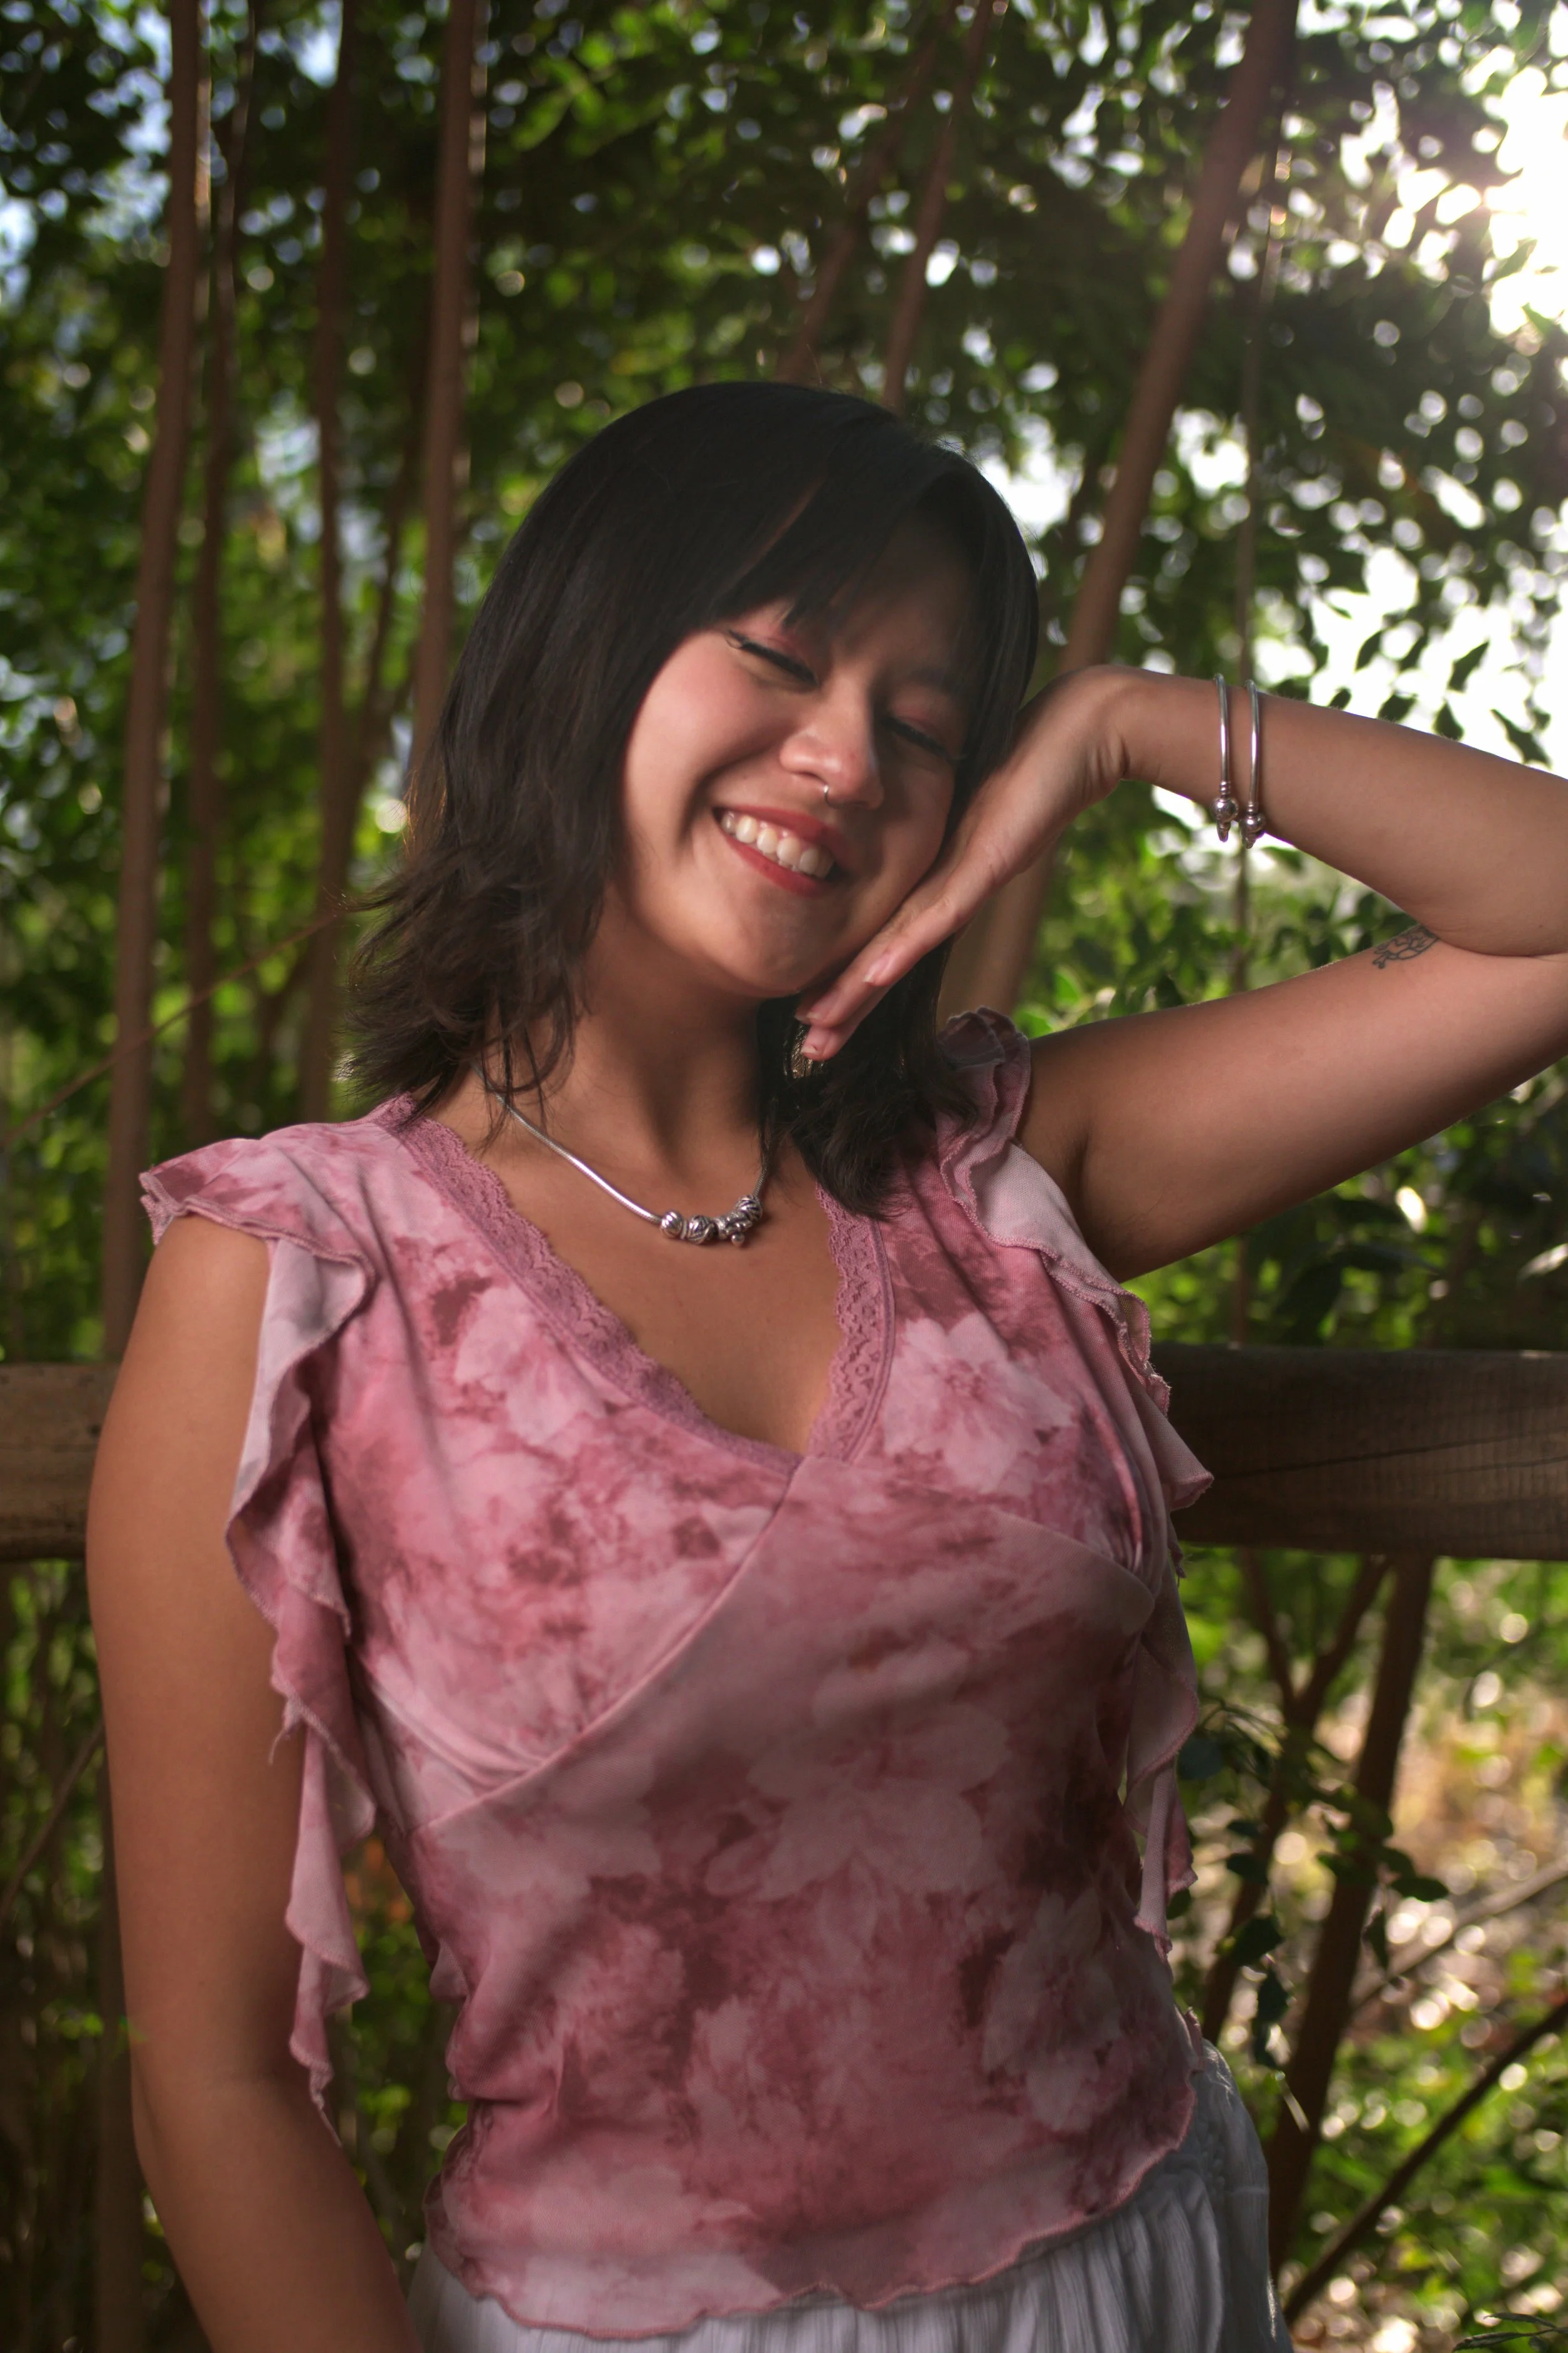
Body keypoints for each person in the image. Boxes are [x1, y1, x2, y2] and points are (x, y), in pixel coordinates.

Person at [87, 383, 1568, 2353]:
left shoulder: (995, 1175)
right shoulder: (299, 1271)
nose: (847, 756)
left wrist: (1124, 723)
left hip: (1137, 2263)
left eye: (925, 726)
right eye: (778, 658)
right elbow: (216, 2082)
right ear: (585, 653)